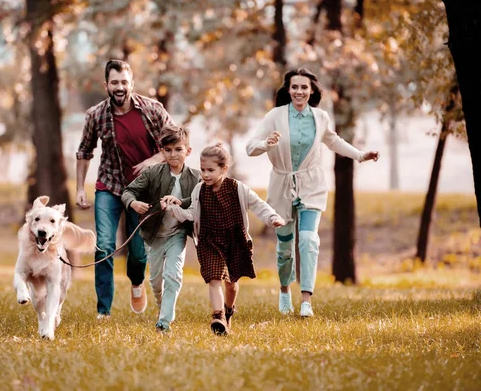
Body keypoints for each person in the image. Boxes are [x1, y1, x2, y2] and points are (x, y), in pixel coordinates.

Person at [246, 67, 380, 318]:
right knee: (285, 247)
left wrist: (360, 155)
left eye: (304, 87)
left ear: (311, 91)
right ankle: (285, 290)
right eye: (294, 87)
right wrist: (266, 144)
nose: (299, 91)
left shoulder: (320, 117)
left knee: (308, 240)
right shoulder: (274, 116)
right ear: (288, 90)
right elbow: (250, 147)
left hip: (312, 185)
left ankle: (306, 299)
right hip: (282, 185)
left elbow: (333, 141)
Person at [76, 59, 175, 319]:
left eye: (124, 82)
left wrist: (152, 161)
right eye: (114, 82)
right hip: (109, 186)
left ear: (132, 83)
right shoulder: (95, 115)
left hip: (143, 191)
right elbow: (85, 152)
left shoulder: (153, 110)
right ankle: (103, 311)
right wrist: (79, 189)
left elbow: (177, 142)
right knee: (105, 246)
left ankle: (136, 282)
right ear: (106, 85)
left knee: (138, 253)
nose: (119, 87)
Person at [163, 143, 285, 335]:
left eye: (211, 170)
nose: (205, 174)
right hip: (209, 241)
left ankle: (228, 311)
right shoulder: (199, 190)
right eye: (203, 170)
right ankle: (218, 316)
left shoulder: (238, 188)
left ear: (224, 169)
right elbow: (191, 214)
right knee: (214, 278)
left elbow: (258, 204)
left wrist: (272, 218)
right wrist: (173, 209)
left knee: (231, 284)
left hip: (234, 241)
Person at [121, 125, 201, 333]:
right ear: (162, 151)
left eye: (178, 149)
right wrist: (134, 204)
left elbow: (198, 200)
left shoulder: (196, 177)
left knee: (173, 275)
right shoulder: (152, 173)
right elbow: (128, 191)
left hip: (178, 234)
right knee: (156, 281)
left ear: (188, 151)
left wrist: (179, 202)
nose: (173, 154)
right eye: (168, 150)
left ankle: (164, 323)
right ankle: (161, 305)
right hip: (154, 235)